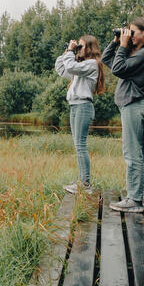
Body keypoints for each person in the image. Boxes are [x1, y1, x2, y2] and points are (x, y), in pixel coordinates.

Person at [102, 17, 144, 214]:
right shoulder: (136, 54)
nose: (129, 36)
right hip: (133, 106)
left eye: (132, 32)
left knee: (132, 153)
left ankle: (134, 199)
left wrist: (123, 46)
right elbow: (108, 60)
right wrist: (116, 42)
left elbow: (117, 69)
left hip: (133, 106)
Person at [55, 34, 106, 194]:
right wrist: (67, 51)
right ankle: (83, 182)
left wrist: (71, 51)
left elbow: (70, 67)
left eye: (81, 46)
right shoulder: (81, 66)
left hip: (83, 106)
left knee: (80, 146)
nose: (78, 50)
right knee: (78, 146)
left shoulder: (92, 64)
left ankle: (85, 184)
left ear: (90, 48)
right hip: (75, 106)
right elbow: (62, 68)